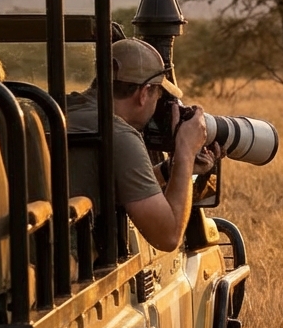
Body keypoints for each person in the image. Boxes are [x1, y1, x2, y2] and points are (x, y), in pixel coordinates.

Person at [68, 38, 217, 252]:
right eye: (158, 96)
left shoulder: (60, 109)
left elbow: (110, 184)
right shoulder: (118, 135)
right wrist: (185, 150)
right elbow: (167, 237)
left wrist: (169, 170)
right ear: (144, 93)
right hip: (73, 261)